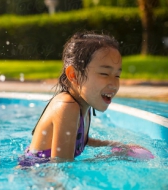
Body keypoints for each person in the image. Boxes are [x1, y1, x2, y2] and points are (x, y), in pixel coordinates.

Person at [18, 31, 151, 167]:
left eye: (117, 75)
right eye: (104, 73)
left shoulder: (84, 105)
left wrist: (117, 145)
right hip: (33, 176)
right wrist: (112, 157)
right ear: (73, 75)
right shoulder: (67, 106)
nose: (114, 84)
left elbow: (82, 141)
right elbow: (61, 166)